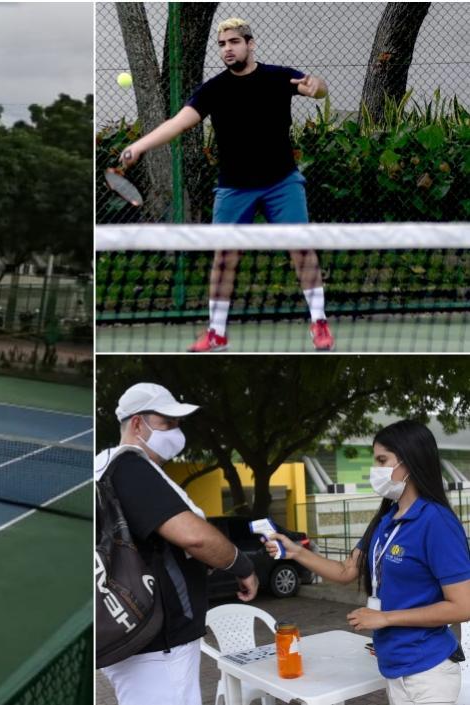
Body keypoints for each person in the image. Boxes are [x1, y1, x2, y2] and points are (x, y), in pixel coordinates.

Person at [119, 18, 335, 353]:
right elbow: (177, 123)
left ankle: (319, 322)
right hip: (234, 188)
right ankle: (217, 332)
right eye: (221, 45)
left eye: (234, 42)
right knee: (224, 258)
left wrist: (315, 87)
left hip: (282, 182)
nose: (227, 49)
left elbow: (316, 87)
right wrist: (140, 146)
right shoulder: (213, 90)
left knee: (302, 249)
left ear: (250, 43)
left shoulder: (278, 77)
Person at [267, 419, 470, 705]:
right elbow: (346, 570)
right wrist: (295, 553)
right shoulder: (386, 521)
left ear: (408, 463)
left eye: (382, 460)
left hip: (428, 672)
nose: (375, 470)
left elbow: (463, 606)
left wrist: (385, 618)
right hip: (394, 667)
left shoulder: (436, 522)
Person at [97, 382, 258, 705]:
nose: (176, 431)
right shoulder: (130, 467)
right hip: (158, 643)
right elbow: (193, 535)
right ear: (138, 424)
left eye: (178, 423)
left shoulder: (106, 466)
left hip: (138, 637)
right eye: (167, 423)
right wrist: (243, 565)